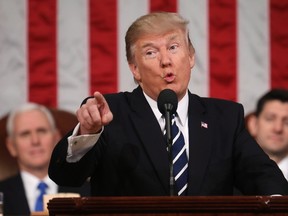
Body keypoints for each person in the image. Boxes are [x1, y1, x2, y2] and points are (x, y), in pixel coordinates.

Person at [48, 12, 288, 196]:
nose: (166, 61)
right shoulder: (110, 114)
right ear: (135, 69)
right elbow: (65, 176)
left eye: (174, 48)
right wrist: (89, 133)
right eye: (151, 53)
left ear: (191, 56)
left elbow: (263, 176)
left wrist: (278, 202)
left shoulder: (224, 117)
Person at [0, 103, 90, 215]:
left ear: (56, 138)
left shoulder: (89, 194)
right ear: (11, 146)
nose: (35, 141)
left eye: (41, 131)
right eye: (25, 134)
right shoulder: (1, 193)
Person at [246, 89, 288, 181]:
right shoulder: (231, 176)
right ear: (253, 124)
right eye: (270, 119)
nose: (278, 128)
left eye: (286, 122)